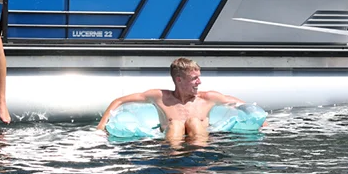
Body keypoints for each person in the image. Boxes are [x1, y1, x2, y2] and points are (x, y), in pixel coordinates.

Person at [97, 57, 243, 145]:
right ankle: (176, 165)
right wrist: (101, 128)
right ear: (179, 80)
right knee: (175, 125)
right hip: (170, 152)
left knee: (194, 122)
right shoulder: (161, 97)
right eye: (194, 78)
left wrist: (263, 123)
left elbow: (238, 103)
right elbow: (120, 101)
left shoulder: (208, 98)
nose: (199, 82)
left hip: (201, 153)